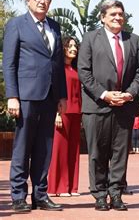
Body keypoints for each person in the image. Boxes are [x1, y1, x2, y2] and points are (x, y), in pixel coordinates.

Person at [3, 0, 67, 212]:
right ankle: (18, 196)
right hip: (26, 95)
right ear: (27, 0)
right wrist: (12, 96)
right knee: (23, 146)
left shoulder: (55, 27)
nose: (42, 1)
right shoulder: (16, 25)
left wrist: (62, 95)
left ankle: (40, 195)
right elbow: (9, 64)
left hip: (50, 97)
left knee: (44, 147)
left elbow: (58, 65)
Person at [78, 0, 139, 211]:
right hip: (97, 105)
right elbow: (84, 72)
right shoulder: (90, 38)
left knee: (120, 153)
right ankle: (99, 194)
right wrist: (105, 94)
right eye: (113, 14)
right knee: (97, 153)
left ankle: (116, 194)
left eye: (120, 14)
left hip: (124, 106)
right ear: (103, 17)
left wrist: (129, 94)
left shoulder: (133, 40)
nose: (118, 17)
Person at [48, 36, 82, 197]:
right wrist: (57, 113)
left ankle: (72, 187)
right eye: (70, 46)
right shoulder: (58, 68)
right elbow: (54, 92)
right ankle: (58, 187)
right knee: (59, 150)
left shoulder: (76, 69)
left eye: (75, 46)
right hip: (62, 112)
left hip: (77, 113)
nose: (73, 49)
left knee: (74, 150)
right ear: (63, 48)